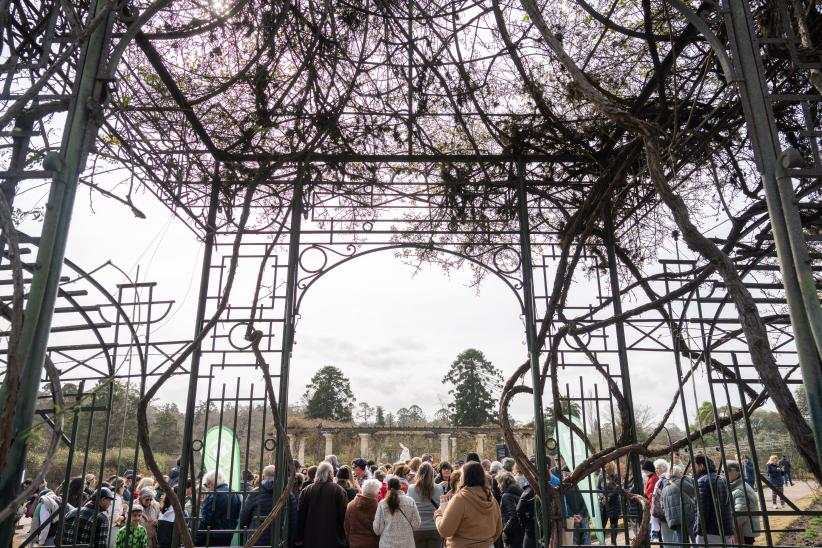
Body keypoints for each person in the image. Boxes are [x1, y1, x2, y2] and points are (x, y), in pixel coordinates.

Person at [435, 461, 502, 547]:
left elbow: (445, 530)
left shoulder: (460, 499)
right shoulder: (491, 498)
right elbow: (498, 529)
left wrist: (438, 514)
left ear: (464, 477)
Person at [239, 464, 297, 546]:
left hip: (256, 539)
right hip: (280, 541)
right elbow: (293, 522)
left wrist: (244, 539)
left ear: (262, 477)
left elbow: (244, 519)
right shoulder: (289, 495)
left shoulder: (254, 493)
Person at [296, 461, 348, 547]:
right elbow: (343, 515)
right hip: (333, 538)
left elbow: (301, 514)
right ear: (330, 473)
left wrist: (299, 537)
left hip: (311, 537)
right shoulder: (338, 490)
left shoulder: (307, 490)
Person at [693, 453, 734, 545]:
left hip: (710, 532)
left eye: (694, 466)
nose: (693, 469)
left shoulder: (702, 481)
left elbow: (702, 510)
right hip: (726, 529)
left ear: (701, 466)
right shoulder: (720, 479)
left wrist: (698, 531)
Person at [373, 477, 421, 547]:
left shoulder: (383, 504)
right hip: (407, 544)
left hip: (387, 544)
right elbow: (416, 524)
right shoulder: (410, 501)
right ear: (400, 486)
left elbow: (377, 529)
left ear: (387, 488)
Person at [197, 470, 241, 546]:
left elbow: (205, 520)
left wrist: (196, 540)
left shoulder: (213, 495)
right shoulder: (235, 494)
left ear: (210, 483)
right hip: (228, 535)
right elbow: (236, 517)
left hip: (211, 536)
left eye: (206, 485)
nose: (207, 488)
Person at [407, 462, 443, 548]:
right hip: (435, 528)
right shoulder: (439, 488)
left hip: (418, 528)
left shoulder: (411, 488)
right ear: (432, 474)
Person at [661, 464, 696, 548]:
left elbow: (662, 505)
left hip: (674, 518)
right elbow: (694, 492)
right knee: (696, 540)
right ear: (677, 473)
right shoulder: (682, 482)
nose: (682, 474)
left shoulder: (664, 488)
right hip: (688, 514)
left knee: (682, 542)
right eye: (681, 472)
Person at [727, 460, 761, 546]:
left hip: (744, 531)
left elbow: (739, 515)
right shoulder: (740, 485)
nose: (725, 474)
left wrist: (728, 525)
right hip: (746, 530)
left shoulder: (739, 490)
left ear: (737, 472)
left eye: (727, 471)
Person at [345, 478, 382, 548]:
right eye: (379, 492)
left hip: (354, 543)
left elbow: (346, 527)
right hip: (373, 544)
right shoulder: (378, 508)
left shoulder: (351, 505)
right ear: (376, 493)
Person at [498, 471, 524, 548]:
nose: (497, 486)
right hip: (521, 532)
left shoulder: (506, 496)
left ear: (502, 483)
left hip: (514, 535)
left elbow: (514, 516)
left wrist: (505, 531)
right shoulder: (518, 491)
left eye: (498, 483)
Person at [598, 461, 621, 546]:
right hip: (603, 504)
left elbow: (618, 489)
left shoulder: (616, 477)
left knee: (613, 525)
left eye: (605, 467)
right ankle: (602, 543)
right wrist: (602, 496)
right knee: (602, 524)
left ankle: (613, 543)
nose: (603, 469)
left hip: (613, 503)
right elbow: (598, 488)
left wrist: (609, 497)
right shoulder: (601, 476)